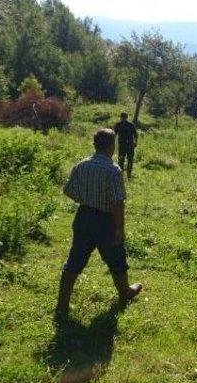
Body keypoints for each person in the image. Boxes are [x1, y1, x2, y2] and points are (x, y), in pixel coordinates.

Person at [55, 129, 142, 316]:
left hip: (84, 216)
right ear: (112, 145)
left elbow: (68, 191)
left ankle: (62, 304)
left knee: (75, 259)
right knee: (116, 257)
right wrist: (120, 229)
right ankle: (125, 292)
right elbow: (117, 203)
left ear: (95, 145)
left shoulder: (82, 165)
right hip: (105, 221)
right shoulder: (113, 170)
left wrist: (87, 198)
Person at [113, 112, 138, 179]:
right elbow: (135, 135)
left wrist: (112, 144)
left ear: (120, 117)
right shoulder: (131, 125)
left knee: (121, 160)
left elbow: (114, 135)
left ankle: (120, 176)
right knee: (130, 160)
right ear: (127, 117)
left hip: (122, 145)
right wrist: (135, 143)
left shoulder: (118, 124)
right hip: (130, 145)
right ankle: (129, 176)